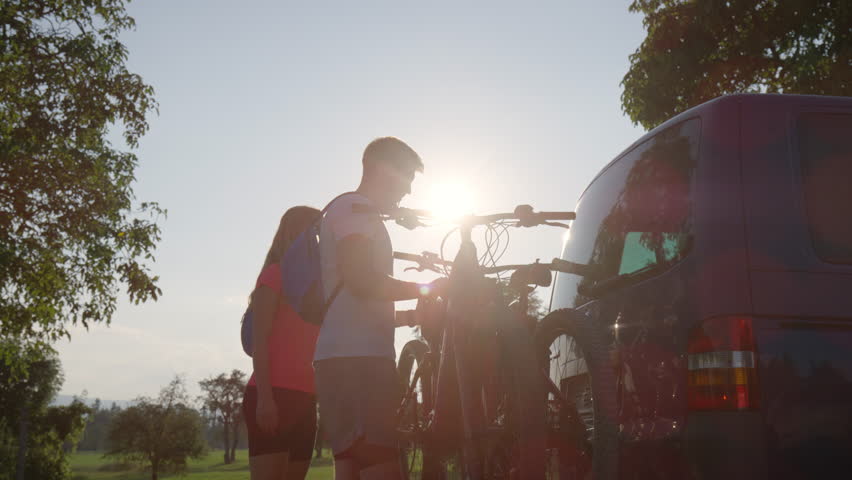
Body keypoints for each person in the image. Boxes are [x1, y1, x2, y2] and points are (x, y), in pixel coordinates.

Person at [314, 137, 443, 480]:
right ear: (382, 171)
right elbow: (361, 281)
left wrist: (411, 314)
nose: (409, 191)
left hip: (343, 360)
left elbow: (360, 301)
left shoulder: (360, 214)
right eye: (406, 179)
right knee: (383, 467)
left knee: (352, 467)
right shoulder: (353, 210)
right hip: (359, 363)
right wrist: (426, 288)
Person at [242, 206, 322, 480]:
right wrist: (265, 399)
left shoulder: (316, 289)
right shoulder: (274, 276)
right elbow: (260, 343)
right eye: (316, 231)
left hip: (305, 399)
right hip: (272, 394)